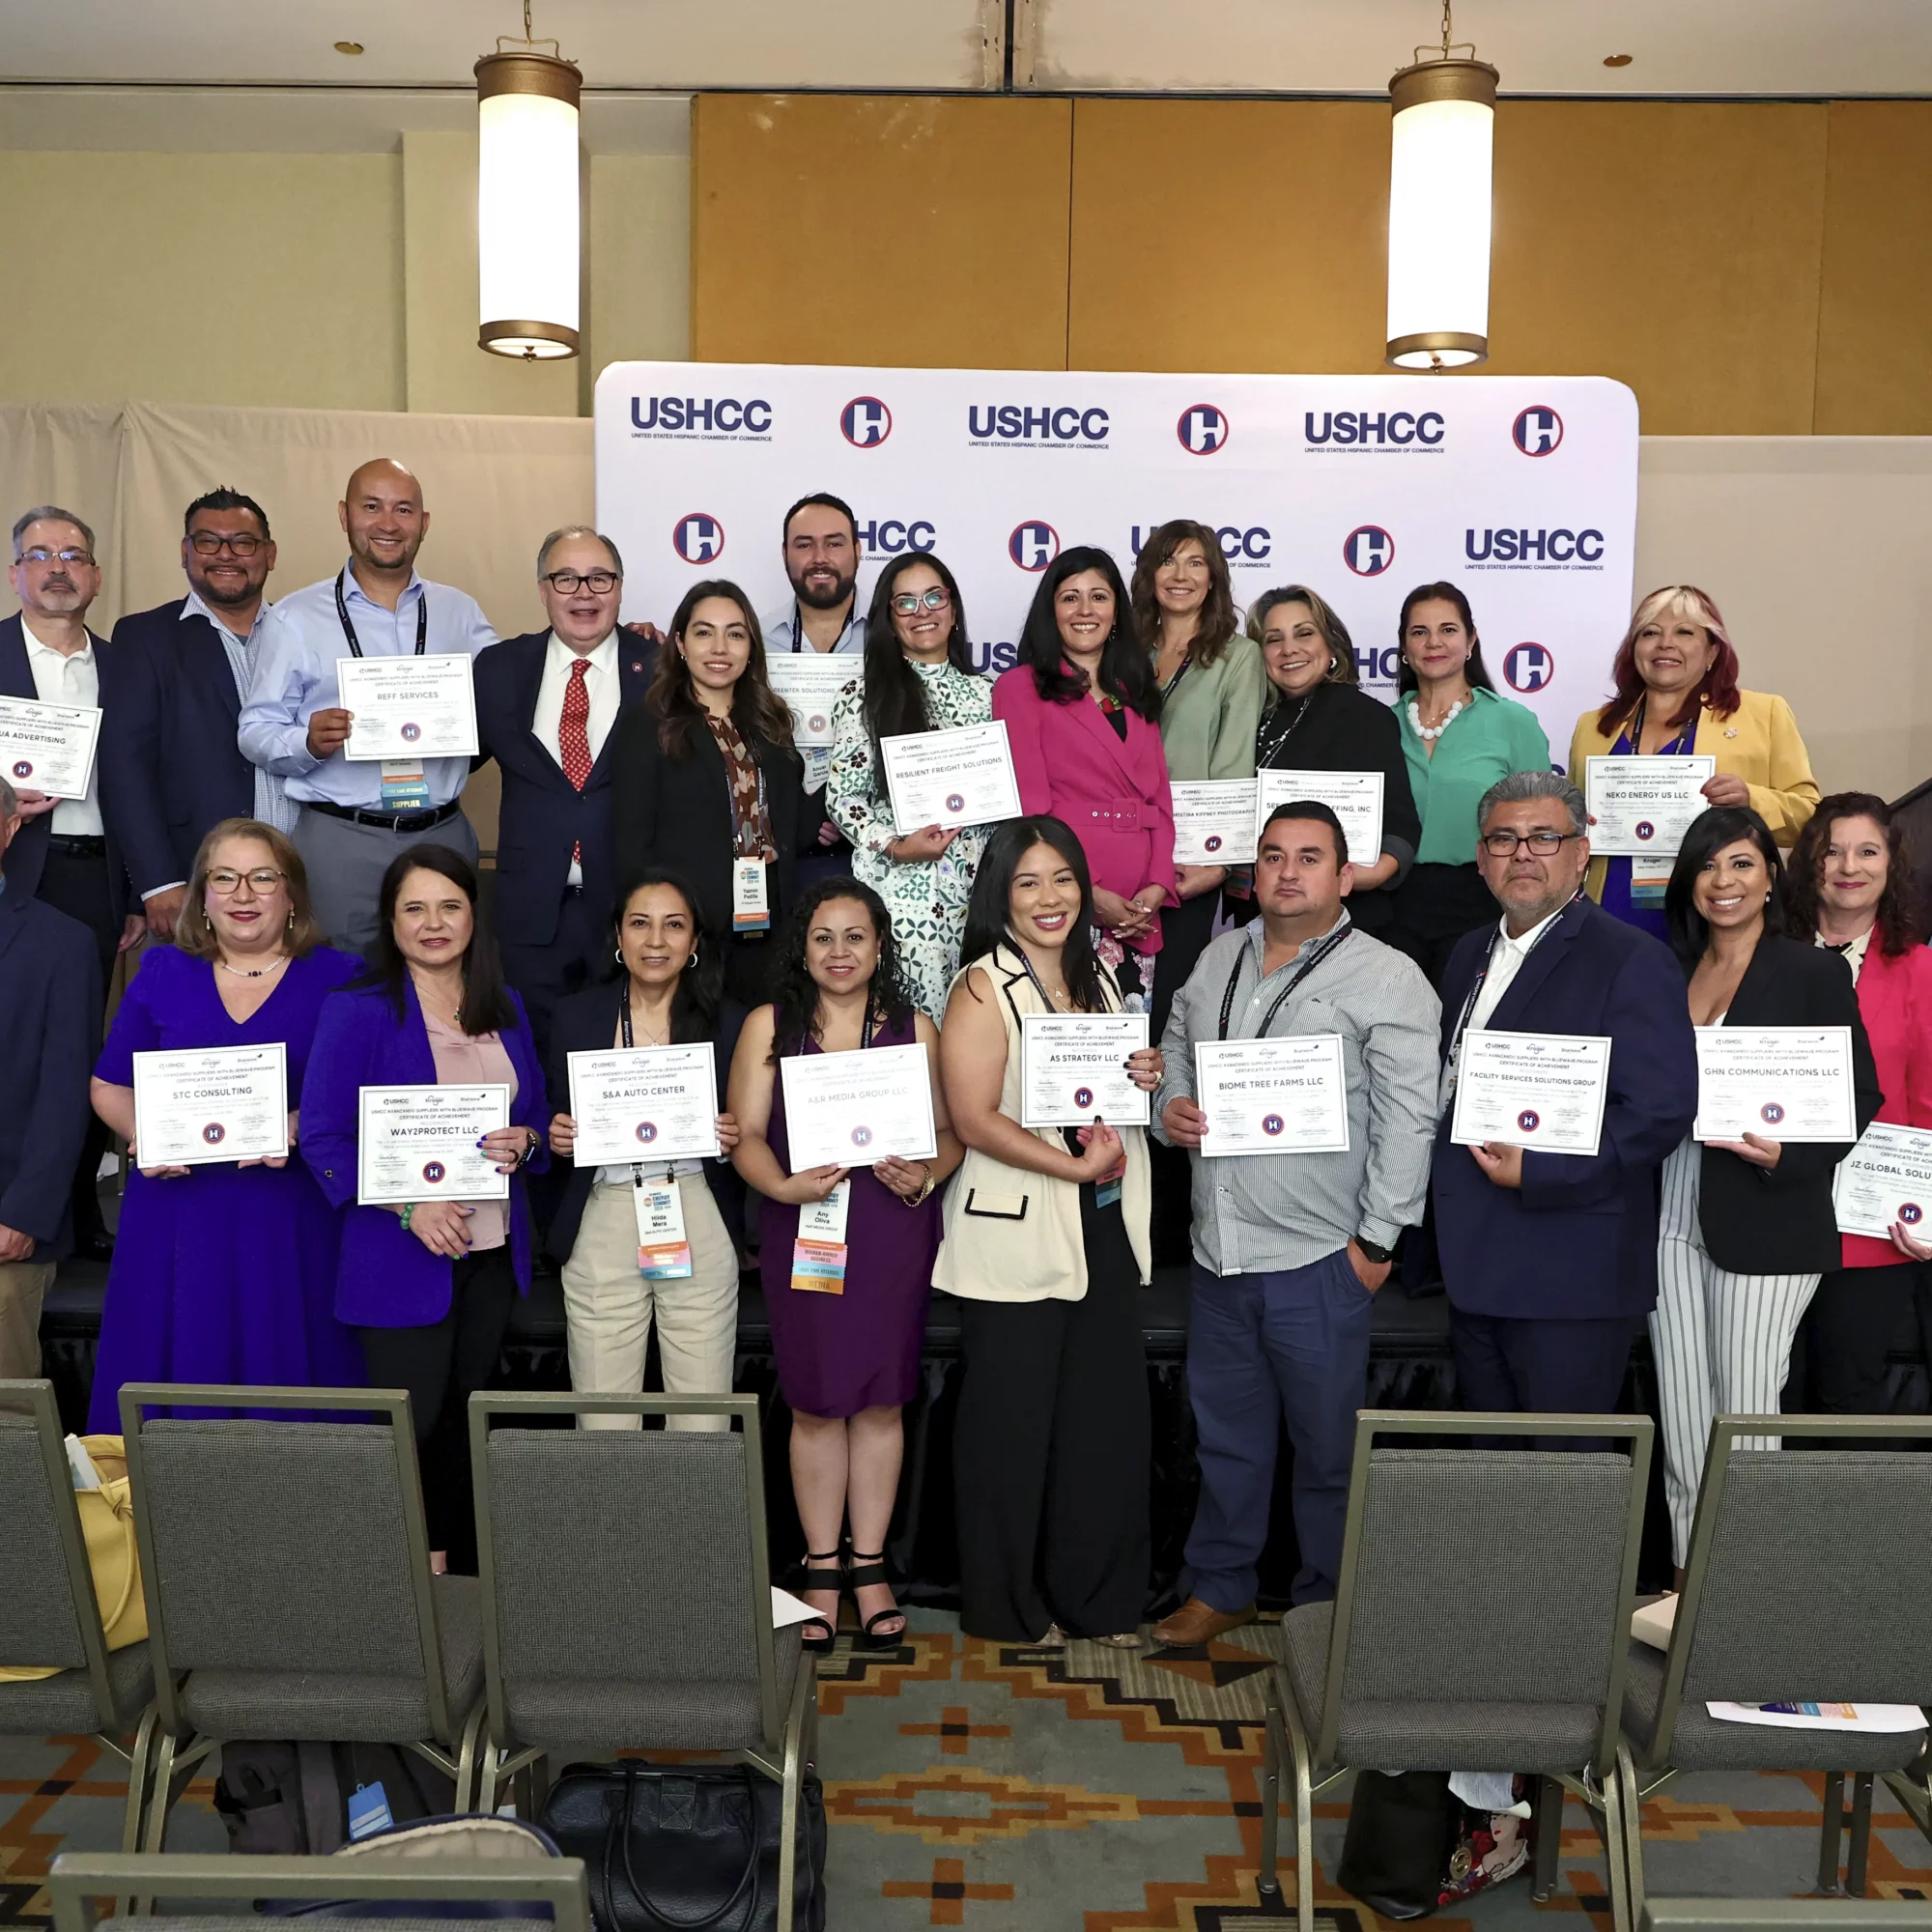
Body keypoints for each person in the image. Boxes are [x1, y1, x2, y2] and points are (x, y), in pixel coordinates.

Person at [1151, 802, 1439, 1641]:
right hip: (1220, 1253)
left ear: (1344, 876)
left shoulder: (1386, 976)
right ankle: (1221, 1586)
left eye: (1309, 857)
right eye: (1273, 855)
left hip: (1321, 1257)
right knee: (1227, 1441)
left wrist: (1378, 1244)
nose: (1287, 872)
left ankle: (1325, 1610)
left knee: (1327, 1456)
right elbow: (1174, 1041)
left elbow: (1409, 1116)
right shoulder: (1216, 958)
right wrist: (1173, 1099)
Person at [936, 816, 1164, 1645]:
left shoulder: (1102, 982)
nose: (1049, 898)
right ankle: (1008, 1609)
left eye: (1063, 878)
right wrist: (1066, 1167)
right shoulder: (980, 986)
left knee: (1102, 1427)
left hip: (1103, 1228)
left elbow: (1111, 1099)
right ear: (1000, 892)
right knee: (1012, 1430)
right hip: (1017, 1232)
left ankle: (1098, 1601)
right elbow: (972, 1115)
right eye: (1028, 882)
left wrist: (1144, 1074)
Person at [300, 845, 548, 1572]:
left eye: (450, 906)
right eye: (414, 908)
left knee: (464, 1423)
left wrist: (529, 1139)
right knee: (414, 1423)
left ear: (474, 916)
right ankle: (408, 1587)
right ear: (390, 919)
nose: (433, 923)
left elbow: (534, 1115)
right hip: (399, 1258)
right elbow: (323, 1137)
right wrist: (410, 1206)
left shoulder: (508, 1009)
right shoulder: (359, 1012)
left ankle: (454, 1584)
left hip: (493, 1252)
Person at [730, 879, 961, 1651]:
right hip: (803, 1227)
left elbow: (949, 1134)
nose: (839, 952)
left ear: (880, 946)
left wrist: (926, 1173)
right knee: (816, 1402)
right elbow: (747, 1136)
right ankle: (820, 1567)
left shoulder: (915, 1029)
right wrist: (782, 1187)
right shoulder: (771, 1025)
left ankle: (871, 1568)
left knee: (883, 1401)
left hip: (892, 1229)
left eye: (854, 936)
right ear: (802, 946)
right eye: (823, 937)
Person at [1432, 773, 1698, 1429]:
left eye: (1544, 837)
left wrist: (1543, 1169)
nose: (1523, 853)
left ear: (1582, 853)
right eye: (1504, 838)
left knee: (1565, 1492)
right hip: (1472, 1266)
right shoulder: (1466, 952)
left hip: (1570, 1273)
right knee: (1495, 1482)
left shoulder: (1631, 958)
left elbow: (1660, 1108)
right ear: (1481, 856)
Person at [1654, 806, 1880, 1568]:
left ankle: (1747, 1603)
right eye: (1709, 865)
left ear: (1772, 876)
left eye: (1743, 863)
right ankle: (1688, 1592)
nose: (1724, 881)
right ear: (1688, 882)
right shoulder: (1673, 970)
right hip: (1668, 1211)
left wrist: (1787, 1154)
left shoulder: (1809, 968)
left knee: (1745, 1418)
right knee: (1685, 1419)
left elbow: (1860, 1097)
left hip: (1768, 1212)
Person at [85, 819, 362, 1426]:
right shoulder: (161, 973)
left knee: (288, 1380)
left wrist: (300, 1122)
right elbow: (108, 1085)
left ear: (292, 895)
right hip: (177, 1218)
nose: (243, 894)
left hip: (289, 1216)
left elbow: (373, 1090)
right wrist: (144, 1132)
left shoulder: (342, 977)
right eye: (224, 878)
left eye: (263, 877)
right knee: (176, 1378)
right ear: (202, 898)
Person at [239, 459, 497, 956]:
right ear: (344, 515)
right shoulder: (295, 617)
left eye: (403, 509)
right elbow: (255, 729)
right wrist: (307, 742)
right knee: (342, 989)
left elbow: (510, 695)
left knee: (449, 985)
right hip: (341, 840)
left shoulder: (459, 612)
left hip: (441, 833)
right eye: (371, 507)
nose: (387, 523)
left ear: (424, 522)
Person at [546, 869, 745, 1435]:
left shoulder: (730, 1021)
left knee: (703, 1419)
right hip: (604, 1210)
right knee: (604, 1419)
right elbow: (544, 1109)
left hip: (697, 1209)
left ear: (696, 942)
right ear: (618, 935)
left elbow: (760, 1129)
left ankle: (698, 1525)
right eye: (640, 924)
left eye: (674, 925)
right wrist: (557, 1133)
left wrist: (735, 1138)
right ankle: (613, 1525)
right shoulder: (576, 1015)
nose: (656, 941)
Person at [4, 504, 141, 1262]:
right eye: (41, 553)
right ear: (16, 571)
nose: (58, 567)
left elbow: (141, 788)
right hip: (10, 868)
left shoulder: (123, 667)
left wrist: (133, 891)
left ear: (93, 575)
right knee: (14, 1043)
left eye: (74, 555)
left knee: (80, 1047)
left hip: (94, 878)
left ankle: (76, 1208)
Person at [473, 526, 654, 1055]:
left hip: (628, 909)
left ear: (620, 588)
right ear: (543, 589)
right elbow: (452, 761)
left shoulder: (663, 669)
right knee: (533, 1053)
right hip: (530, 910)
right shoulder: (499, 668)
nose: (584, 592)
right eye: (566, 578)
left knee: (625, 1053)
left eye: (599, 578)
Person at [1783, 794, 1932, 1417]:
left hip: (1875, 1228)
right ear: (1809, 864)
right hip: (1775, 1214)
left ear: (1891, 864)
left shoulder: (1921, 969)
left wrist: (1924, 1207)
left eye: (1868, 851)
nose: (1849, 866)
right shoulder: (1763, 959)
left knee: (1849, 1396)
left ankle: (1844, 1519)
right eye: (1832, 850)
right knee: (1768, 1396)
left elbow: (1926, 1100)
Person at [608, 580, 816, 1010]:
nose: (720, 647)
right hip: (689, 932)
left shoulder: (770, 724)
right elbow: (630, 844)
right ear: (680, 644)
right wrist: (654, 930)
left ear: (751, 647)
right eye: (704, 633)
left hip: (767, 929)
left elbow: (793, 823)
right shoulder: (648, 726)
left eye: (735, 634)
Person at [1569, 583, 1819, 942]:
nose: (1665, 644)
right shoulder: (1593, 726)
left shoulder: (1764, 714)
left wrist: (1751, 800)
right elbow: (1574, 826)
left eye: (1684, 632)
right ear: (1633, 650)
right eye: (1650, 633)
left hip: (1718, 915)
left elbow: (1809, 817)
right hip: (1609, 913)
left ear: (1712, 651)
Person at [103, 488, 291, 947]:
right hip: (195, 882)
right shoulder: (145, 637)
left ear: (269, 554)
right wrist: (158, 882)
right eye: (208, 542)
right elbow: (124, 767)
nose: (225, 555)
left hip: (304, 877)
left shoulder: (304, 633)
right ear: (185, 552)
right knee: (196, 1015)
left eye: (243, 543)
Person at [992, 548, 1176, 1009]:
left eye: (1098, 596)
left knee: (1123, 1059)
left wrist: (1157, 886)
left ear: (1117, 611)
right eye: (1070, 598)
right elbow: (1029, 814)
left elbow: (1160, 801)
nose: (1085, 610)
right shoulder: (1020, 687)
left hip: (1138, 910)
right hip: (1063, 896)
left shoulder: (1136, 688)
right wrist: (1087, 894)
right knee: (1063, 1052)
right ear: (1050, 611)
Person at [825, 553, 991, 1019]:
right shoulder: (863, 697)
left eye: (935, 597)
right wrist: (896, 846)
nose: (924, 612)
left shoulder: (993, 696)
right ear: (888, 618)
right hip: (902, 897)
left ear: (954, 610)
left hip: (981, 894)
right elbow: (843, 798)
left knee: (974, 1033)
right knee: (909, 1037)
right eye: (906, 602)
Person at [1130, 521, 1266, 1038]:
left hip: (1189, 862)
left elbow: (1235, 764)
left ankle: (1161, 1118)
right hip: (1116, 850)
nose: (1180, 575)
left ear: (1214, 579)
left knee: (1165, 1007)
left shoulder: (1238, 656)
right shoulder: (1122, 651)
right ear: (1150, 575)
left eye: (1195, 563)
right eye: (1168, 561)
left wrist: (1218, 862)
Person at [1386, 582, 1550, 985]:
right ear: (1404, 647)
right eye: (1419, 632)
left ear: (1471, 640)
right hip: (1390, 906)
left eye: (1448, 629)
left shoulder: (1512, 722)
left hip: (1481, 903)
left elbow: (1544, 824)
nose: (1433, 643)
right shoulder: (1378, 724)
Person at [1247, 584, 1421, 938]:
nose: (1289, 649)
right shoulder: (1247, 719)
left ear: (1330, 645)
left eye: (1304, 633)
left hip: (1351, 922)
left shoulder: (1365, 717)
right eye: (1273, 639)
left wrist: (1364, 875)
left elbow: (1401, 824)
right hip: (1266, 919)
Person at [0, 777, 99, 1379]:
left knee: (6, 1428)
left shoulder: (62, 945)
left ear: (11, 828)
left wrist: (25, 1216)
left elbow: (65, 1097)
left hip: (6, 1229)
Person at [764, 493, 866, 886]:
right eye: (804, 545)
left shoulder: (894, 641)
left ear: (857, 551)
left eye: (834, 543)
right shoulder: (753, 641)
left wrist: (857, 814)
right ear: (786, 554)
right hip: (778, 854)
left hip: (877, 861)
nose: (819, 557)